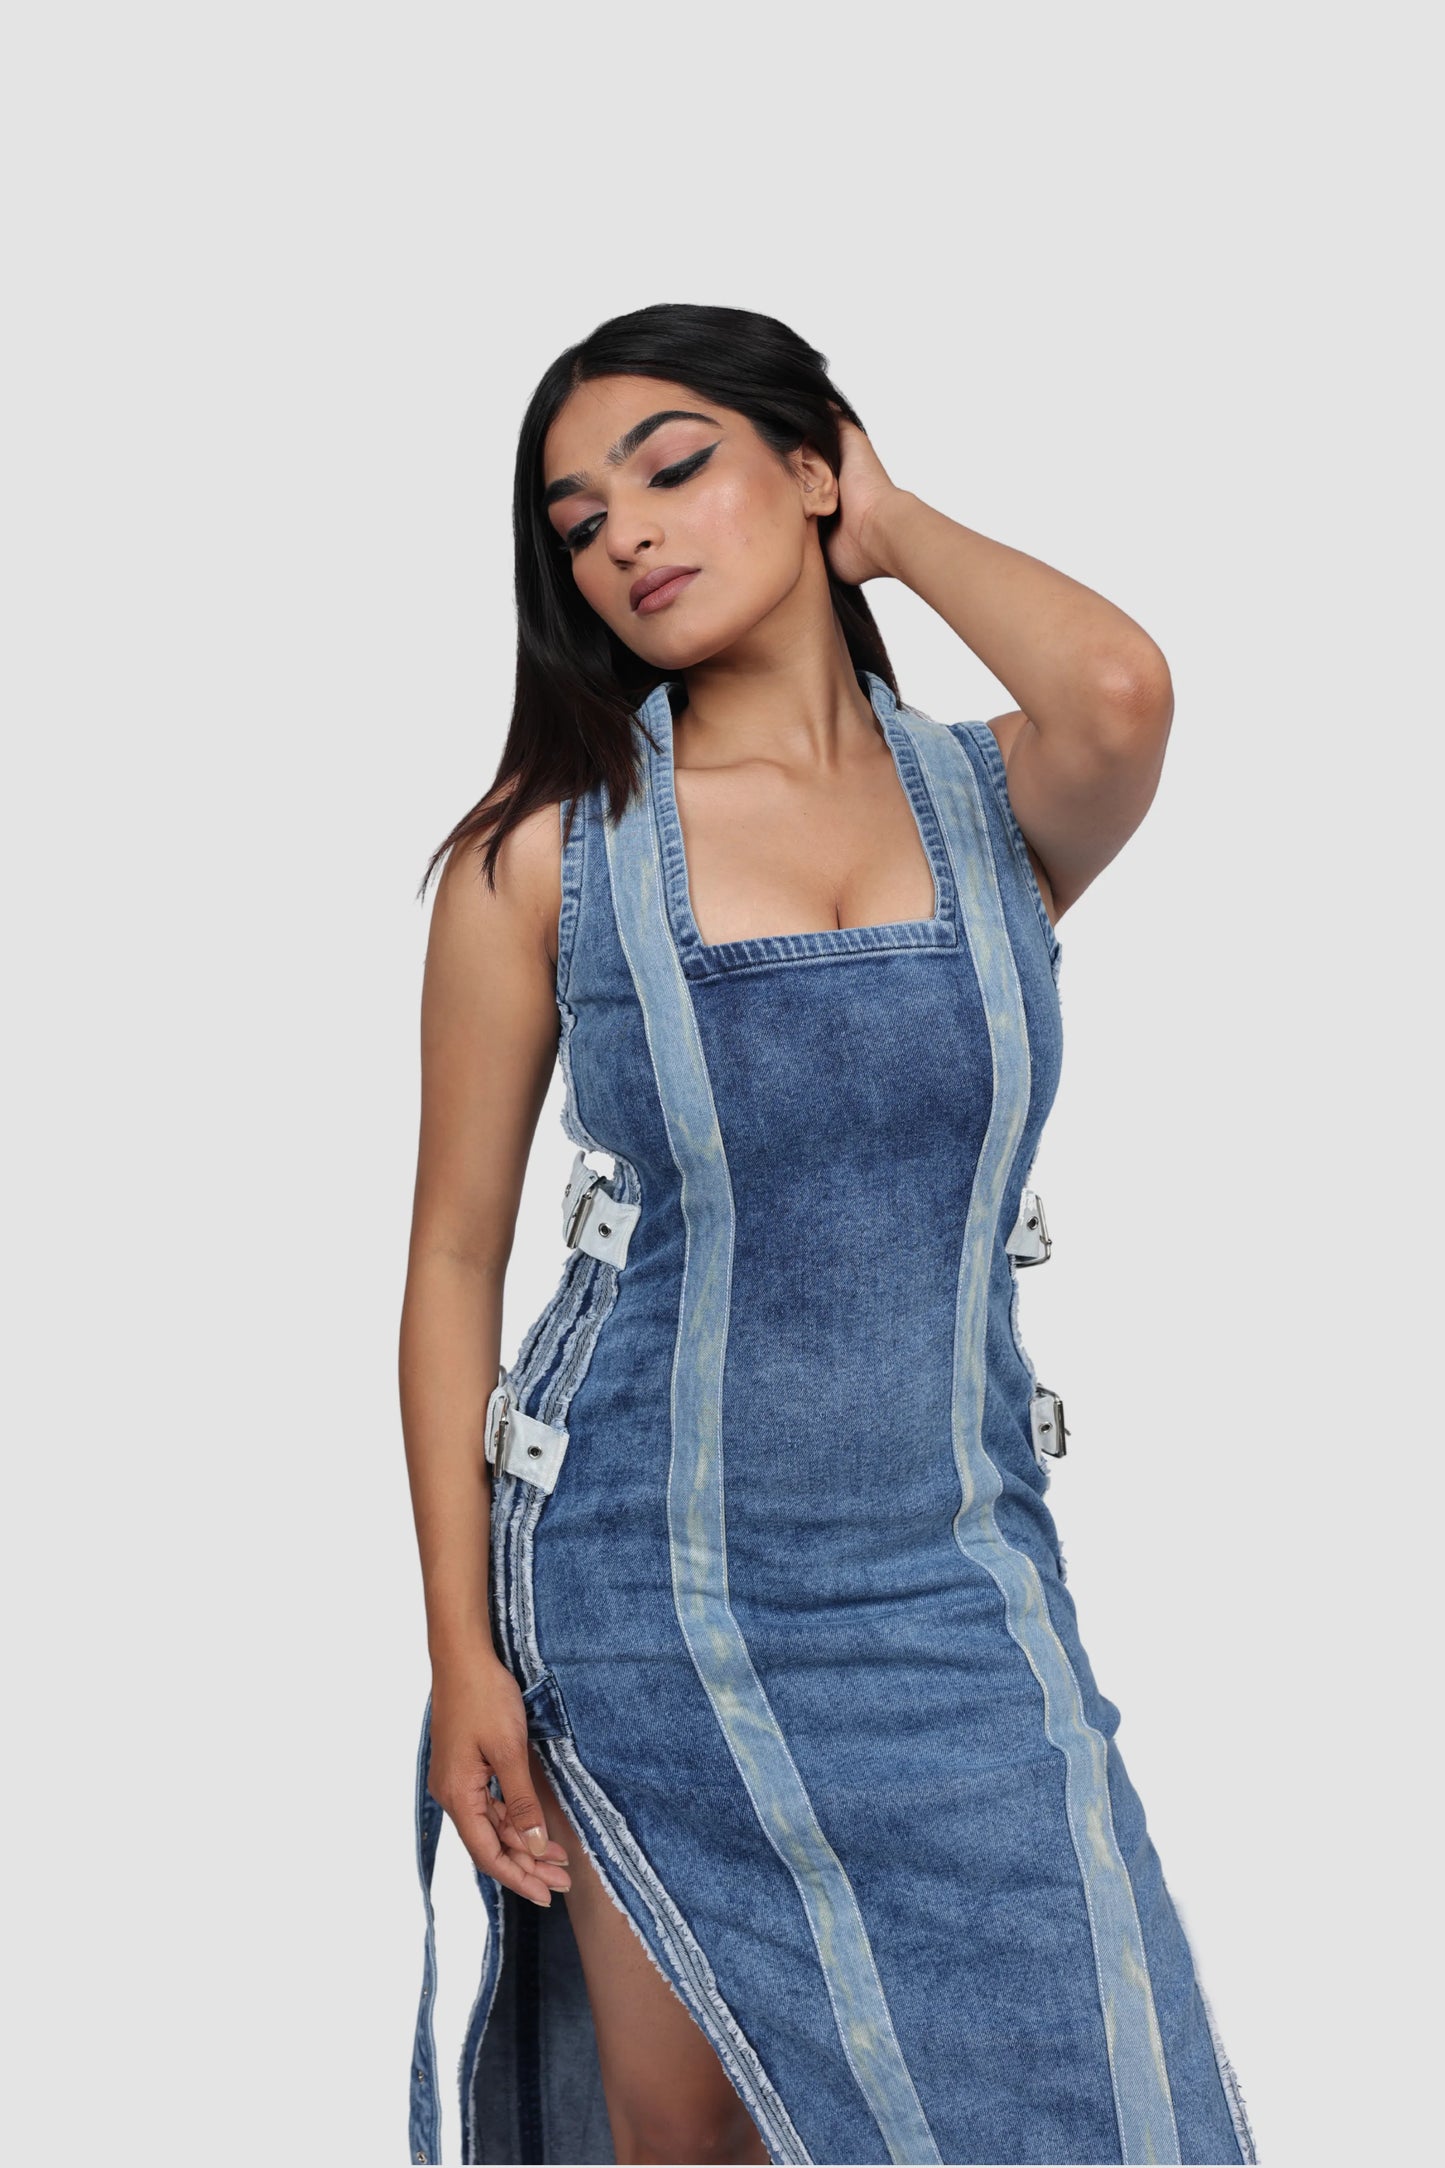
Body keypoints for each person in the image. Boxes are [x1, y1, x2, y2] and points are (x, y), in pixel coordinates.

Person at [399, 302, 1256, 2167]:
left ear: (811, 468)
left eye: (673, 467)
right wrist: (464, 1653)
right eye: (576, 522)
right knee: (695, 2130)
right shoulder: (543, 855)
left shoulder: (996, 803)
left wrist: (891, 523)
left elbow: (1120, 689)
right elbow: (453, 1259)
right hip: (642, 1582)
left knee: (1114, 2101)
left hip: (955, 1583)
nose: (624, 533)